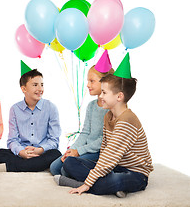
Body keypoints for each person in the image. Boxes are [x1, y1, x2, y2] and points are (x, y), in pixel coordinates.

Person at [55, 53, 153, 198]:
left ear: (119, 97)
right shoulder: (109, 116)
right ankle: (107, 186)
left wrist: (87, 183)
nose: (100, 97)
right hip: (115, 166)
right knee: (70, 163)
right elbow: (105, 151)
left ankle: (83, 184)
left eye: (104, 93)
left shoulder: (127, 120)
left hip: (135, 173)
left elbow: (110, 156)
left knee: (112, 180)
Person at [0, 61, 61, 173]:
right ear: (24, 89)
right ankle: (33, 165)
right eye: (35, 85)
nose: (40, 88)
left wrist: (40, 150)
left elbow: (54, 140)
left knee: (56, 154)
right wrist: (21, 152)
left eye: (42, 85)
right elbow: (12, 140)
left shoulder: (51, 107)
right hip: (22, 152)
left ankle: (7, 167)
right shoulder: (15, 109)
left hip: (42, 151)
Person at [50, 50, 114, 176]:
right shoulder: (91, 106)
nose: (88, 85)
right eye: (87, 81)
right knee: (54, 168)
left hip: (100, 151)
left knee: (65, 169)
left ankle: (103, 173)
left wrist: (79, 151)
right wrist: (73, 149)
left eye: (92, 81)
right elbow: (85, 133)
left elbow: (104, 140)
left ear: (104, 82)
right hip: (85, 149)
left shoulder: (111, 108)